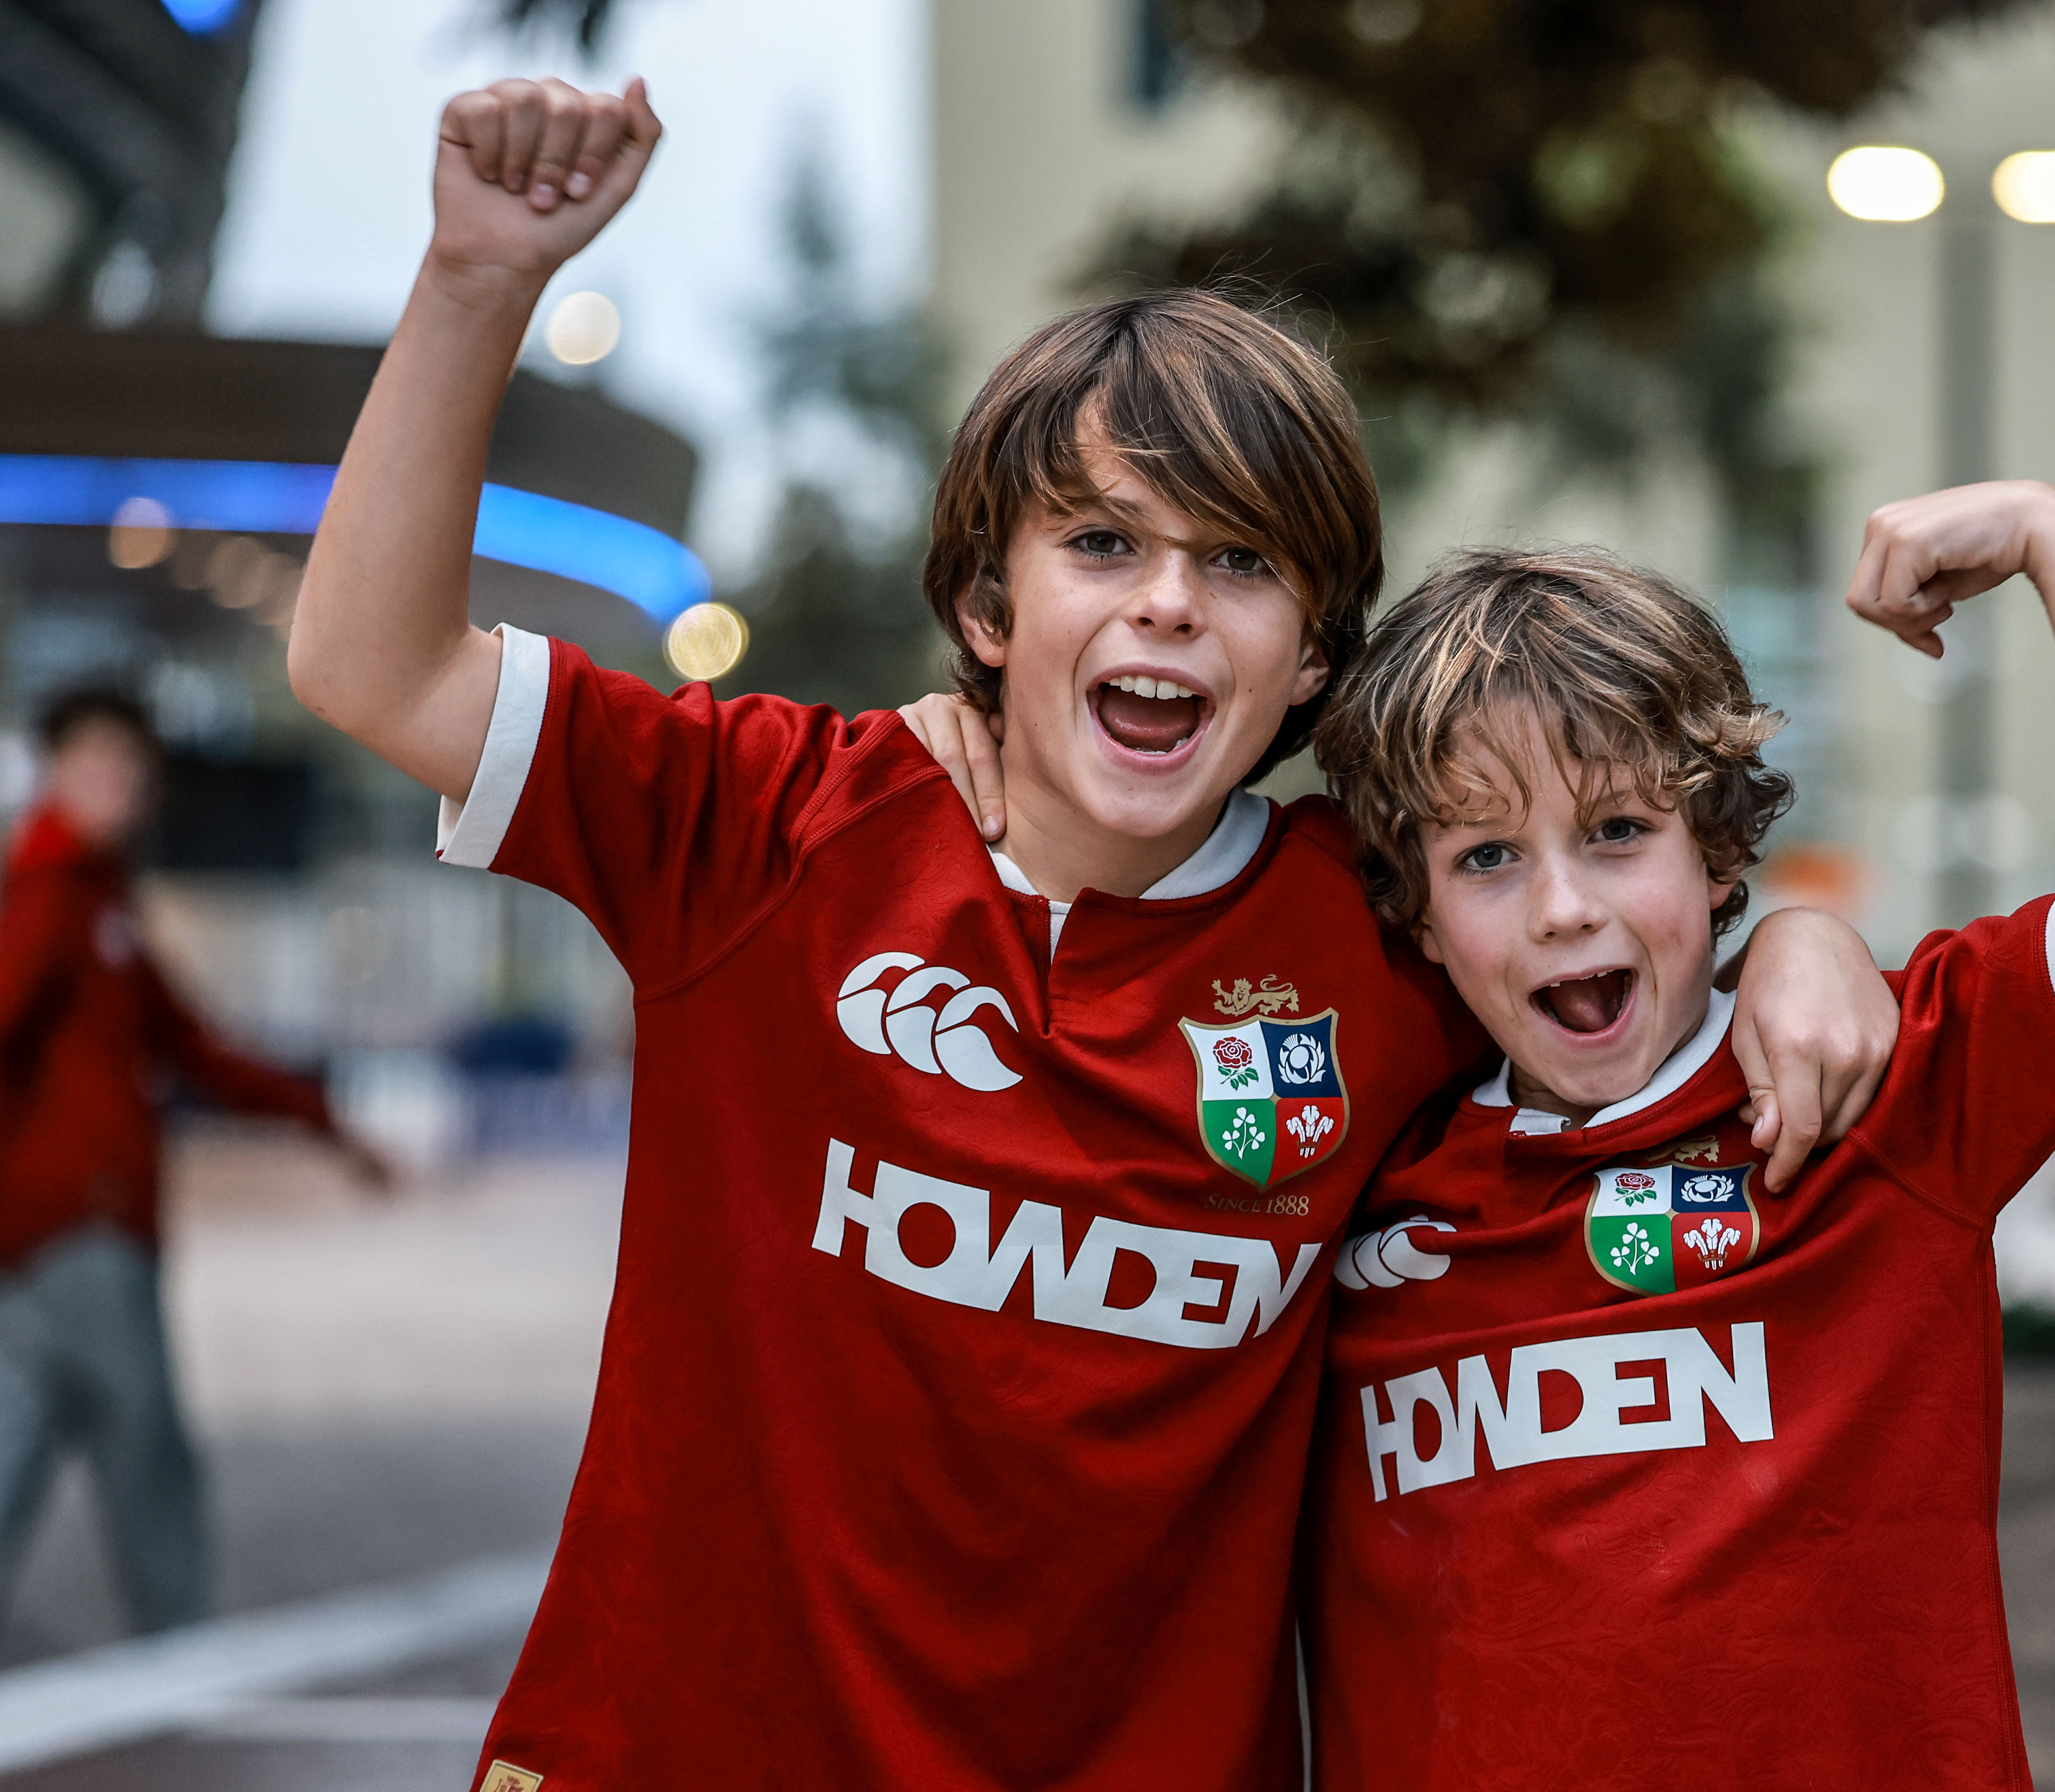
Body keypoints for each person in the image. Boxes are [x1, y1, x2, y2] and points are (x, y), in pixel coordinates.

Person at [288, 77, 1893, 1791]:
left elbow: (1615, 977)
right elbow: (368, 667)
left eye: (1241, 561)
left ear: (1315, 661)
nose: (1168, 602)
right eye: (1103, 542)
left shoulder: (1378, 932)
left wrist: (1791, 946)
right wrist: (476, 281)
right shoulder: (773, 830)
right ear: (988, 606)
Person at [1293, 494, 2055, 1788]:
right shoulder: (1350, 1193)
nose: (1563, 907)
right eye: (1485, 856)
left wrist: (2048, 537)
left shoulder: (1877, 1092)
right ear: (1412, 912)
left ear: (1719, 852)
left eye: (1619, 830)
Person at [0, 690, 382, 1635]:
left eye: (131, 766)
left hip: (49, 1236)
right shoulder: (50, 890)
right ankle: (183, 1661)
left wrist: (321, 1117)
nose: (118, 783)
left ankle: (178, 1651)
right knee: (151, 1458)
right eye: (95, 762)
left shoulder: (100, 896)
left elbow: (196, 1048)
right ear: (55, 770)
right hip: (81, 1229)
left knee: (20, 1437)